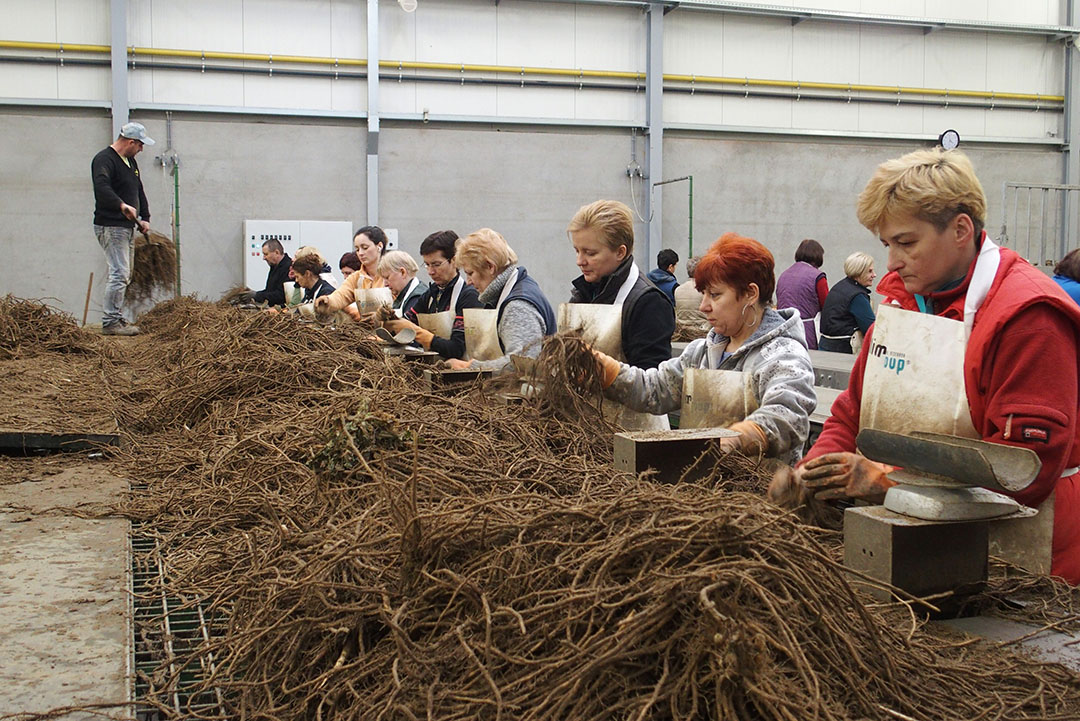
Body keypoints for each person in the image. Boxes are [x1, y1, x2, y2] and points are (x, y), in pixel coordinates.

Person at [769, 148, 1080, 584]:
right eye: (887, 245)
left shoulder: (1028, 317)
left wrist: (886, 482)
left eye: (907, 243)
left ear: (960, 229)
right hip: (918, 534)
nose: (892, 262)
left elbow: (1023, 473)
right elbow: (851, 413)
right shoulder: (903, 304)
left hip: (1020, 555)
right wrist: (811, 474)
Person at [591, 233, 815, 464]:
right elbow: (654, 389)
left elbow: (788, 413)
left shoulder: (783, 356)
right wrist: (607, 371)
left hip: (759, 493)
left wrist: (743, 437)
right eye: (704, 294)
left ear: (750, 293)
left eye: (715, 295)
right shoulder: (701, 353)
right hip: (701, 492)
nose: (703, 306)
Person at [566, 200, 675, 370]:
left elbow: (651, 385)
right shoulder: (583, 293)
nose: (580, 261)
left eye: (590, 253)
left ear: (620, 252)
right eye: (577, 251)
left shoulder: (649, 303)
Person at [446, 228, 556, 373]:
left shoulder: (517, 307)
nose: (468, 282)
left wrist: (469, 367)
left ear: (490, 266)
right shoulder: (518, 286)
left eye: (470, 273)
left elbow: (522, 364)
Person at [91, 121, 154, 336]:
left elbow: (138, 189)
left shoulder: (130, 161)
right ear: (130, 142)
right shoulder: (104, 159)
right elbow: (102, 188)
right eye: (140, 145)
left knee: (125, 274)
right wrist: (121, 205)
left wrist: (145, 217)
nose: (141, 149)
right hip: (111, 225)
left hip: (127, 227)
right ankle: (110, 322)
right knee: (119, 273)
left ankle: (116, 317)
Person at [384, 230, 483, 360]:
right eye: (427, 264)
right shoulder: (431, 295)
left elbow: (457, 349)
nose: (430, 271)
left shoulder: (469, 296)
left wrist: (418, 333)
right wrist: (388, 319)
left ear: (454, 260)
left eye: (436, 264)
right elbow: (406, 322)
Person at [315, 226, 388, 320]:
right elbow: (341, 295)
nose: (360, 253)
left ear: (379, 246)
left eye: (365, 247)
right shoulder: (356, 278)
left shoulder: (391, 275)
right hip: (364, 331)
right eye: (357, 249)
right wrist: (328, 301)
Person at [818, 252, 876, 354]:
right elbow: (871, 328)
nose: (874, 275)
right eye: (870, 271)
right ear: (859, 272)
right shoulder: (857, 296)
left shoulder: (839, 287)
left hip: (824, 347)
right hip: (843, 351)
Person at [776, 239, 828, 350]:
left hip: (783, 329)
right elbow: (826, 305)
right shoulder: (818, 277)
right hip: (807, 331)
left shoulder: (783, 275)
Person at [378, 250, 427, 318]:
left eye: (387, 277)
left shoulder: (417, 298)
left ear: (403, 272)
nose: (385, 284)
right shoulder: (405, 294)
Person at [250, 238, 292, 307]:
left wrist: (257, 295)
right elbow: (270, 291)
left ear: (277, 252)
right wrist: (255, 294)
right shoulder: (274, 267)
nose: (264, 258)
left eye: (266, 254)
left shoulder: (288, 268)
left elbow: (281, 295)